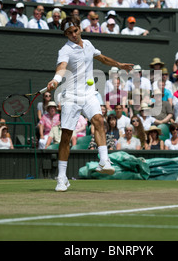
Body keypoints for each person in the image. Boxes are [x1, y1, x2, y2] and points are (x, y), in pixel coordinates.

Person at [46, 16, 133, 191]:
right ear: (66, 34)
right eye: (69, 33)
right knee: (65, 137)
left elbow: (102, 58)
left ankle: (103, 161)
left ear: (80, 29)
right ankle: (62, 178)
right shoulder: (65, 50)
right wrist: (56, 79)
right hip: (71, 96)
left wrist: (119, 65)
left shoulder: (88, 44)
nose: (73, 34)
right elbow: (62, 67)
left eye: (75, 31)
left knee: (99, 120)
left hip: (89, 94)